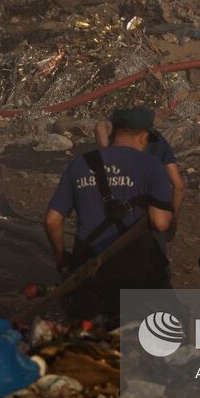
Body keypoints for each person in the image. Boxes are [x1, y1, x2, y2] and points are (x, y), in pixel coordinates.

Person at [46, 107, 174, 321]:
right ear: (143, 137)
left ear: (114, 133)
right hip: (136, 270)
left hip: (87, 268)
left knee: (84, 342)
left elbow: (52, 219)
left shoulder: (79, 164)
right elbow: (160, 223)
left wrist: (60, 255)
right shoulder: (152, 166)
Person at [95, 107, 185, 238]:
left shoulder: (117, 138)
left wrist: (104, 154)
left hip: (114, 214)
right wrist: (174, 219)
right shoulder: (159, 141)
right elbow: (179, 187)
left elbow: (100, 126)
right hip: (148, 218)